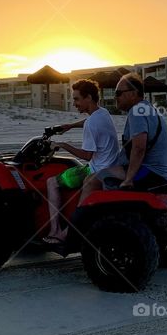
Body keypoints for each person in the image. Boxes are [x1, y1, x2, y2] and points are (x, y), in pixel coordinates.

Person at [44, 79, 119, 243]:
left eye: (77, 99)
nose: (74, 103)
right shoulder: (103, 113)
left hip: (94, 170)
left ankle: (55, 231)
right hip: (111, 167)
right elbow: (88, 121)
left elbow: (86, 155)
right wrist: (70, 125)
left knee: (52, 182)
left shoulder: (91, 124)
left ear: (89, 98)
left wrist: (63, 145)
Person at [88, 73, 167, 193]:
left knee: (92, 181)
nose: (115, 97)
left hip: (149, 173)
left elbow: (139, 148)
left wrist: (129, 179)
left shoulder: (136, 111)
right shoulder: (146, 108)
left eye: (118, 93)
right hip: (159, 173)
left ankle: (85, 211)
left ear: (133, 93)